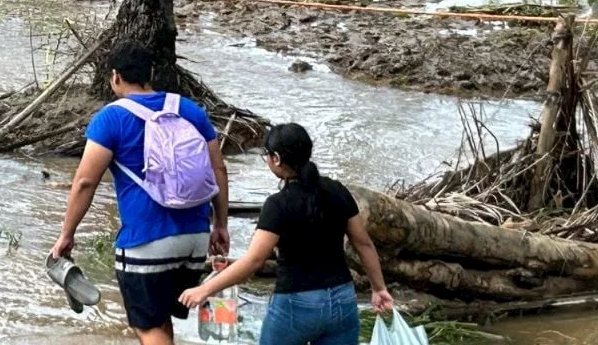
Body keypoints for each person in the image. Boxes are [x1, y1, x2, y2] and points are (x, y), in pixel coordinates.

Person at [51, 42, 230, 345]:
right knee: (161, 321)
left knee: (148, 328)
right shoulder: (190, 110)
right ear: (150, 73)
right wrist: (220, 225)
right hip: (196, 239)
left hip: (146, 242)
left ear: (116, 77)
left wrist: (67, 233)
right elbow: (219, 170)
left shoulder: (111, 118)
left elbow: (84, 182)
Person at [178, 123, 394, 345]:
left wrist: (205, 289)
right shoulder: (337, 190)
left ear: (277, 159)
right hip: (342, 299)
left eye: (267, 156)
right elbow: (364, 244)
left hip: (296, 304)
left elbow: (254, 260)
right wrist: (379, 288)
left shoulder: (278, 204)